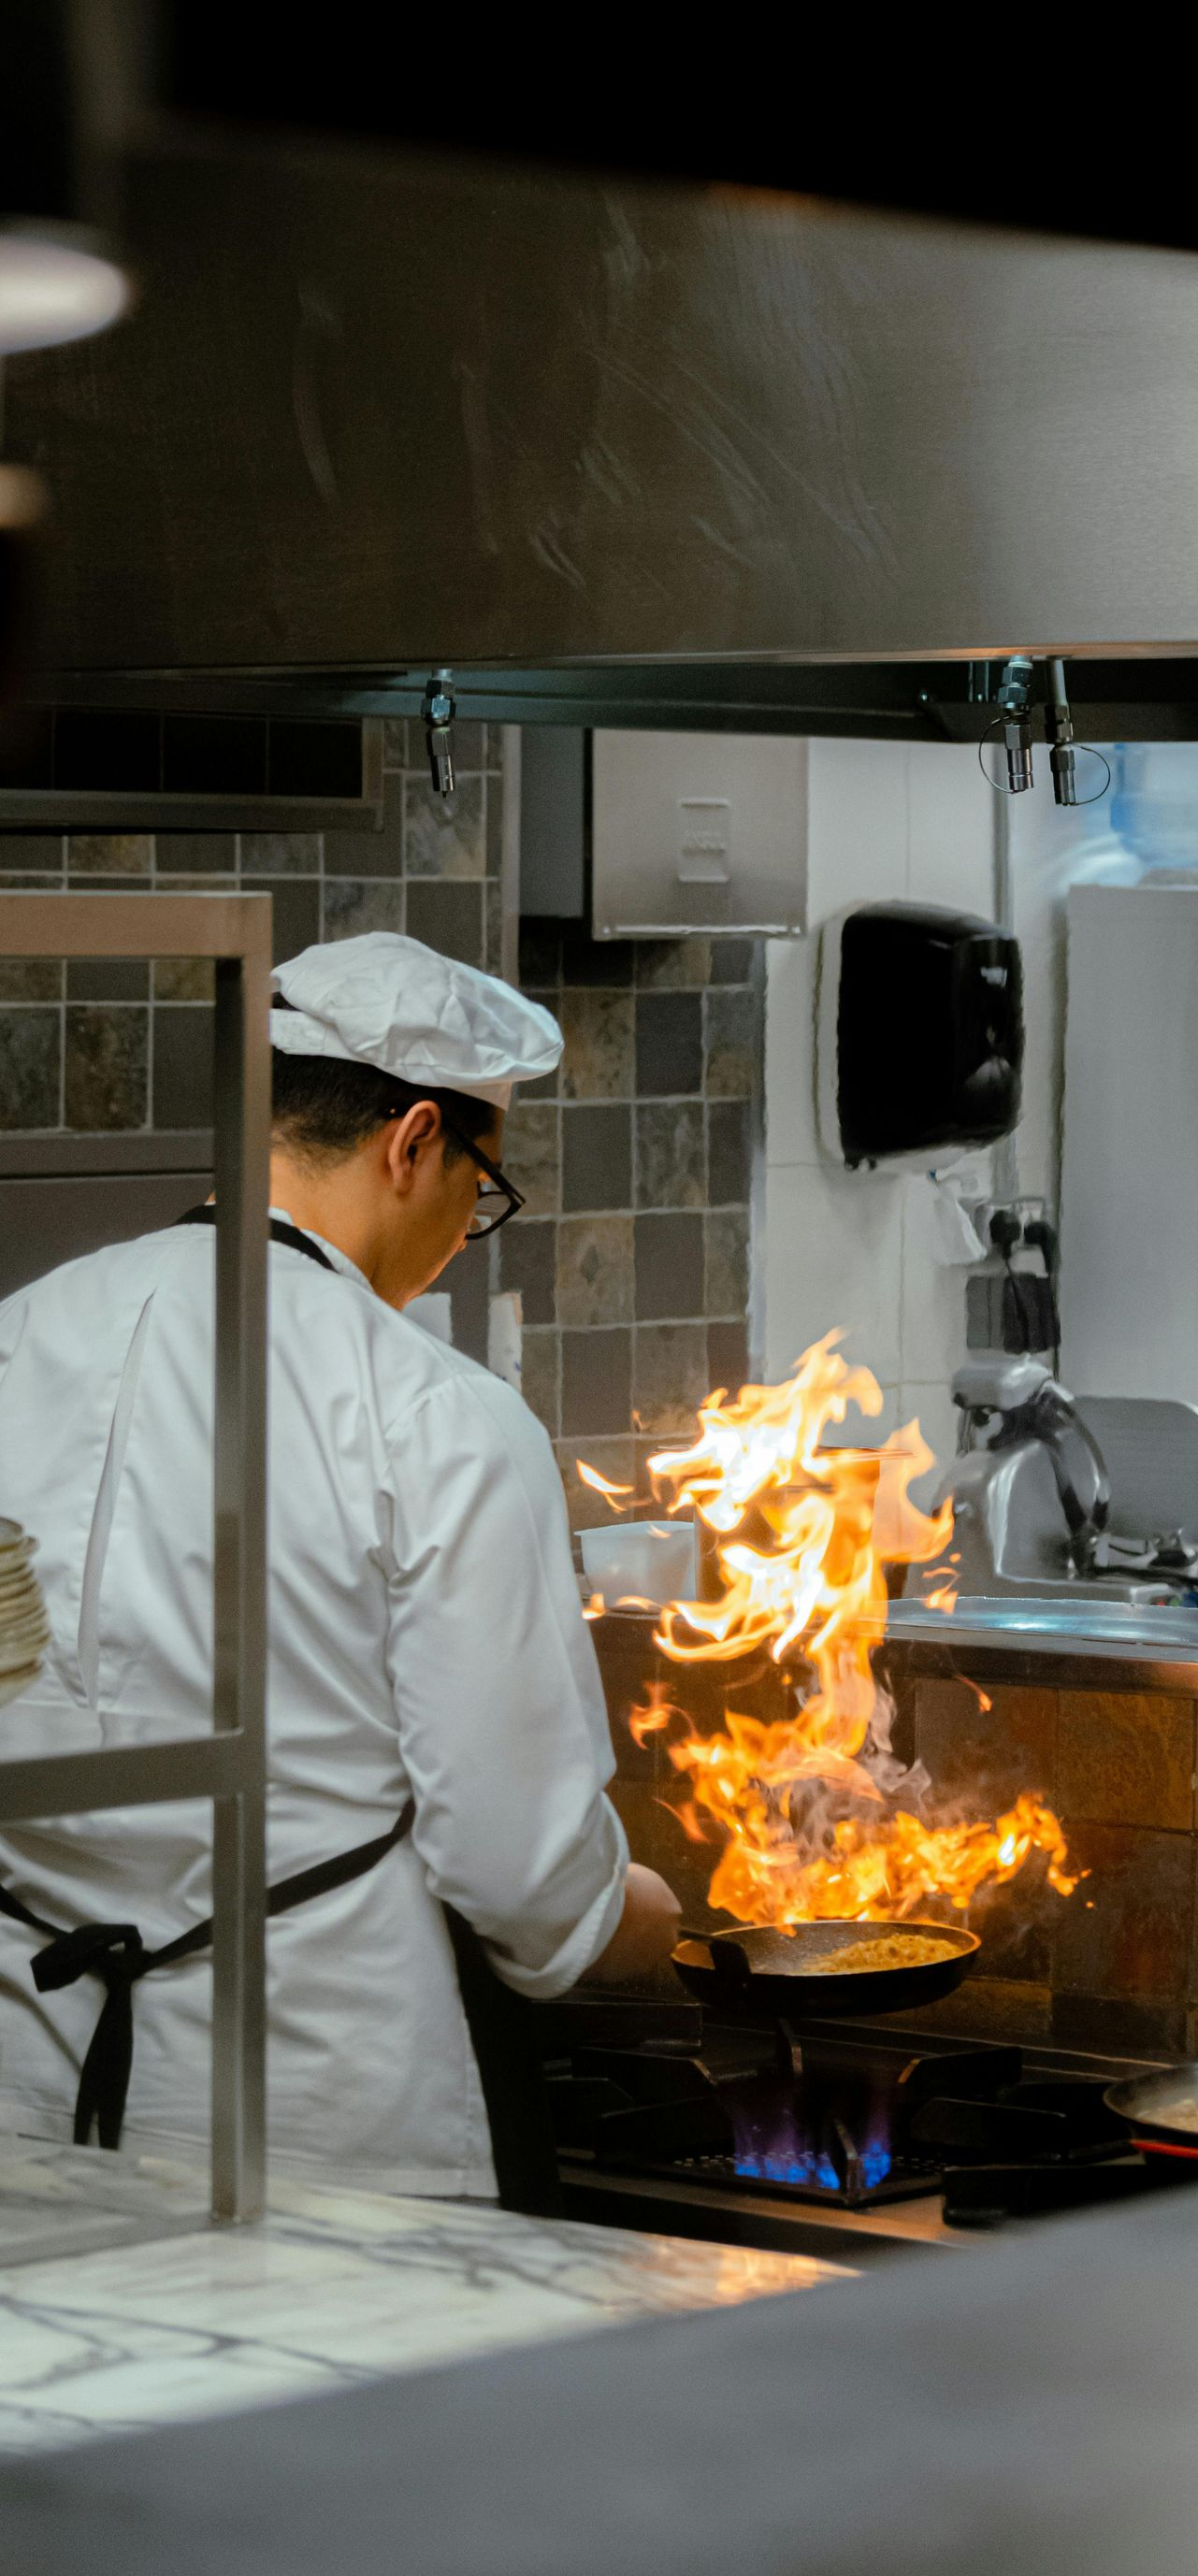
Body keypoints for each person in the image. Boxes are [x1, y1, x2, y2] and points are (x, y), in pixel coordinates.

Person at [0, 933, 680, 2197]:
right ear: (414, 1140)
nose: (473, 1232)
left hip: (31, 2093)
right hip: (318, 2113)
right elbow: (519, 1874)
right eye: (483, 1188)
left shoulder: (22, 1331)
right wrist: (639, 1916)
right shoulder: (439, 1414)